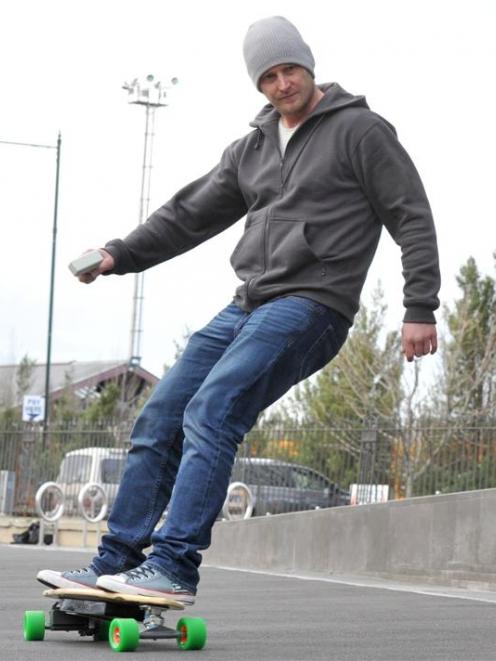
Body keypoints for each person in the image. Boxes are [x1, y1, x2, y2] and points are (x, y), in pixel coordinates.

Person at [38, 16, 440, 604]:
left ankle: (174, 564)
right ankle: (115, 563)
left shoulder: (361, 132)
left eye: (290, 71)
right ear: (258, 85)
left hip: (312, 305)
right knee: (158, 417)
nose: (282, 85)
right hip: (247, 304)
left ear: (309, 65)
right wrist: (117, 253)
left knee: (214, 408)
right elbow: (188, 215)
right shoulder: (251, 148)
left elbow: (412, 215)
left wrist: (419, 305)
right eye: (269, 77)